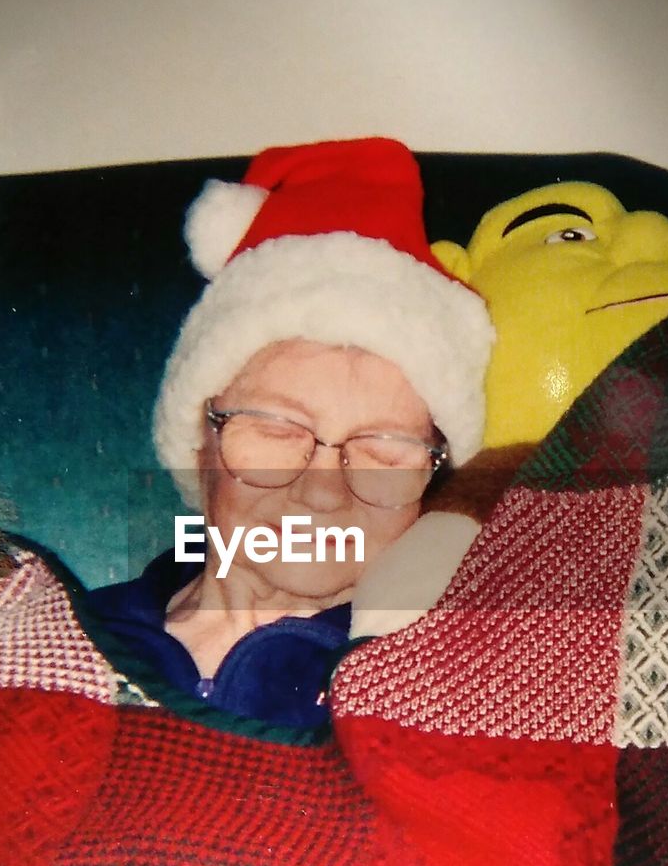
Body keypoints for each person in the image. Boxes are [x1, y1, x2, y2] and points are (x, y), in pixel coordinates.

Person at [85, 137, 493, 727]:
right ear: (200, 443)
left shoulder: (447, 689)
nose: (323, 493)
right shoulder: (57, 639)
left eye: (384, 451)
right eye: (278, 430)